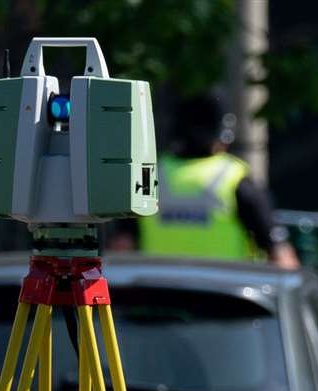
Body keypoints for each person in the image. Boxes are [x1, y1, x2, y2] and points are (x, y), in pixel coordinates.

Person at [128, 94, 300, 267]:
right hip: (224, 290)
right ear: (220, 137)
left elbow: (122, 244)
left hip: (157, 288)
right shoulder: (234, 177)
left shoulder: (150, 174)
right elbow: (279, 254)